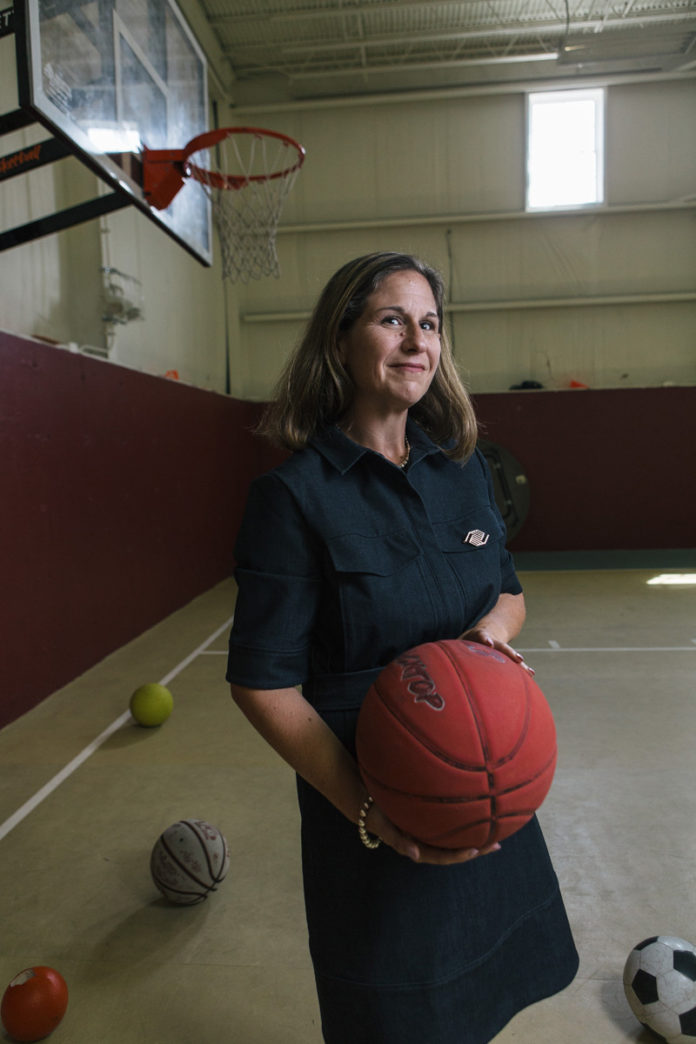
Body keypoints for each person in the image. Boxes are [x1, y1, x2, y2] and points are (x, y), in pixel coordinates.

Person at [226, 252, 578, 1043]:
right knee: (395, 1015)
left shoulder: (463, 469)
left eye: (429, 324)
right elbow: (262, 682)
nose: (417, 341)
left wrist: (486, 644)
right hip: (381, 788)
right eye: (392, 319)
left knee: (487, 997)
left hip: (484, 774)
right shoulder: (292, 498)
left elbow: (509, 593)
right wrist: (368, 808)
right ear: (341, 338)